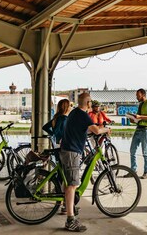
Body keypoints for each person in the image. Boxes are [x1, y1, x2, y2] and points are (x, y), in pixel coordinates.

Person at [60, 93, 111, 232]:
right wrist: (107, 129)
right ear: (88, 103)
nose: (92, 105)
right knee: (72, 185)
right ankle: (70, 220)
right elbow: (96, 130)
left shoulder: (74, 112)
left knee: (68, 182)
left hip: (68, 149)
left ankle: (68, 206)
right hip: (72, 151)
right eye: (91, 103)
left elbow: (82, 129)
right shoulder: (83, 115)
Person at [128, 88, 147, 179]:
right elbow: (139, 119)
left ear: (143, 95)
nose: (136, 97)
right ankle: (133, 170)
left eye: (138, 95)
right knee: (132, 150)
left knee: (145, 152)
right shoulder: (140, 104)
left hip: (145, 130)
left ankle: (146, 172)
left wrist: (140, 116)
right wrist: (133, 120)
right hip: (138, 129)